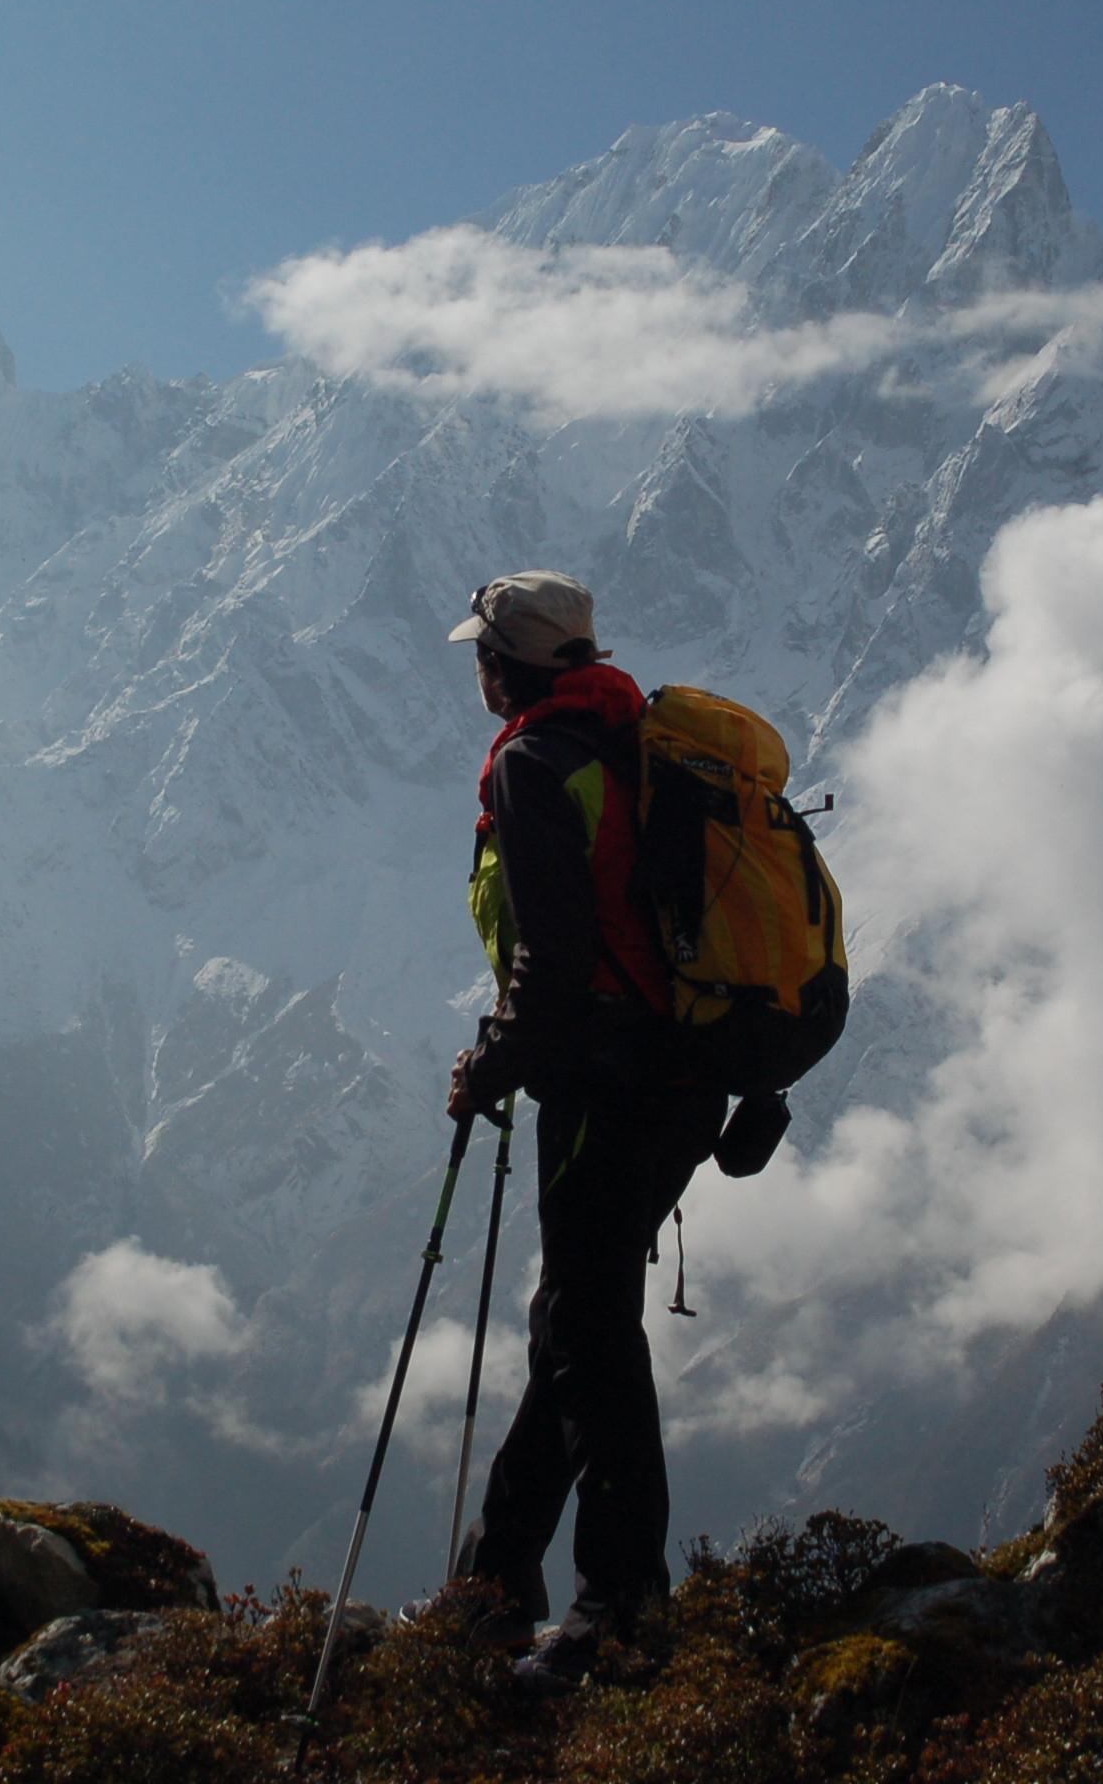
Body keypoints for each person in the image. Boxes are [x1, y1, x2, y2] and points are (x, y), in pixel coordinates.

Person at [438, 569, 725, 1693]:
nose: (476, 667)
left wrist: (489, 1065)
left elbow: (551, 964)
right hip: (687, 1074)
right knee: (575, 1318)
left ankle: (618, 1609)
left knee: (591, 1337)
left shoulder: (532, 762)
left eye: (483, 651)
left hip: (606, 1081)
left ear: (510, 662)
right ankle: (494, 1582)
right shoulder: (639, 739)